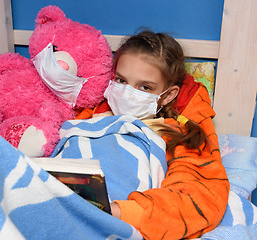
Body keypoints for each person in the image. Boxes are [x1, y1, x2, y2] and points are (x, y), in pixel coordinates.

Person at [76, 30, 230, 239]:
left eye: (145, 87)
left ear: (168, 95)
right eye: (121, 81)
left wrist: (120, 212)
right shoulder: (90, 115)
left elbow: (198, 195)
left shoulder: (176, 134)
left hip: (110, 212)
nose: (127, 92)